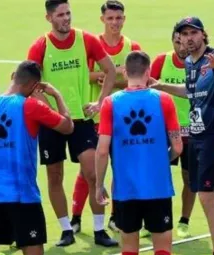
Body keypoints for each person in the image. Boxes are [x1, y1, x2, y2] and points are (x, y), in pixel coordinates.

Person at [0, 60, 73, 255]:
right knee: (33, 254)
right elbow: (67, 126)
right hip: (23, 196)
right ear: (34, 85)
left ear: (14, 76)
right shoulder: (31, 106)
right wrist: (56, 95)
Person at [151, 16, 214, 255]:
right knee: (210, 197)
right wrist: (162, 86)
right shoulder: (189, 62)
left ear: (203, 34)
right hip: (199, 135)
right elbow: (190, 91)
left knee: (207, 196)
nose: (188, 38)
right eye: (184, 34)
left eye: (193, 33)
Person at [27, 0, 118, 247]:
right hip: (52, 122)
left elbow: (110, 70)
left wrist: (100, 101)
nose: (66, 18)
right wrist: (47, 109)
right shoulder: (40, 46)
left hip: (81, 119)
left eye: (68, 13)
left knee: (93, 171)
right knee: (54, 176)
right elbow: (30, 83)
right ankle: (66, 229)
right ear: (49, 18)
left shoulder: (86, 39)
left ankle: (99, 229)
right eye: (60, 15)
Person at [95, 51, 182, 255]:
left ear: (125, 72)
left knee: (129, 251)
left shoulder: (110, 103)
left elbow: (102, 150)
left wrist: (98, 185)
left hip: (125, 189)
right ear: (148, 72)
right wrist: (163, 161)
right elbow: (178, 147)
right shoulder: (164, 100)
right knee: (162, 250)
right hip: (158, 187)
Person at [70, 0, 141, 234]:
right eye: (110, 18)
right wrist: (109, 74)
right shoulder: (92, 44)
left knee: (119, 167)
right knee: (87, 170)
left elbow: (137, 79)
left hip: (122, 118)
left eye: (118, 18)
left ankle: (114, 217)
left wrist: (114, 78)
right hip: (93, 116)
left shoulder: (132, 46)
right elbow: (83, 74)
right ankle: (76, 217)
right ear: (102, 20)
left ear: (125, 18)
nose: (115, 23)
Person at [150, 23, 194, 239]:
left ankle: (184, 220)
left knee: (189, 177)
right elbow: (148, 89)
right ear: (173, 41)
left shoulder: (196, 63)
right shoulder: (161, 61)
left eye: (185, 40)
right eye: (178, 41)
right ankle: (156, 218)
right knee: (158, 172)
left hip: (192, 129)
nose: (182, 46)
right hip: (164, 129)